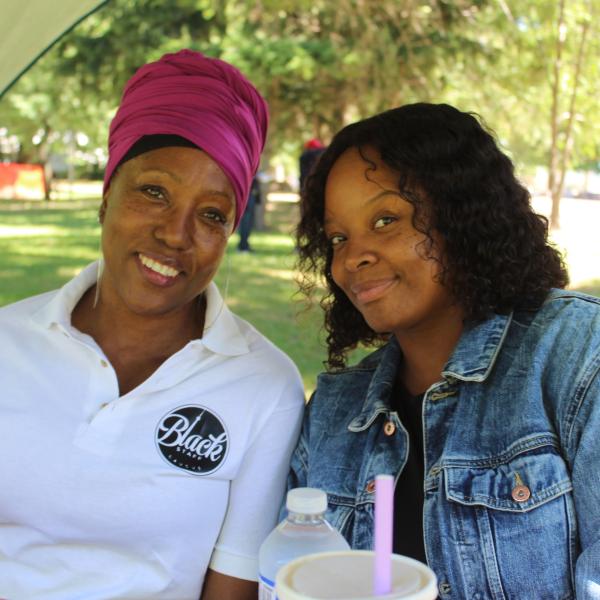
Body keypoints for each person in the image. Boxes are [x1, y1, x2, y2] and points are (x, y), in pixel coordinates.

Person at [0, 50, 305, 600]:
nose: (175, 234)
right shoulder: (6, 344)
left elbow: (232, 586)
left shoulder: (263, 387)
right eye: (154, 192)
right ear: (105, 196)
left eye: (212, 214)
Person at [288, 103, 600, 599]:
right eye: (339, 237)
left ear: (461, 216)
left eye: (386, 219)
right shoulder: (334, 414)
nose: (353, 256)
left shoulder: (578, 356)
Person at [237, 175, 260, 252]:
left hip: (251, 197)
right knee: (245, 223)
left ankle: (245, 245)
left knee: (249, 224)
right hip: (247, 197)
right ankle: (243, 246)